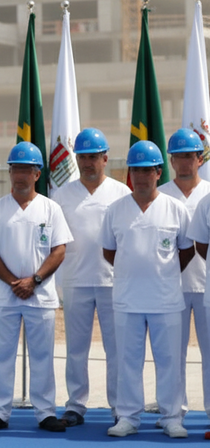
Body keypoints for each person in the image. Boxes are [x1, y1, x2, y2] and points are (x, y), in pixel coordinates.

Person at [0, 142, 72, 434]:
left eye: (26, 169)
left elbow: (59, 250)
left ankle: (45, 413)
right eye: (15, 168)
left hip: (40, 296)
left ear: (37, 174)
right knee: (2, 355)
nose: (19, 175)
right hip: (5, 296)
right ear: (10, 172)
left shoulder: (51, 208)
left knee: (43, 356)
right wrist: (13, 282)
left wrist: (35, 280)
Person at [101, 140, 193, 438]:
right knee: (128, 361)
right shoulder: (115, 210)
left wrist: (161, 274)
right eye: (136, 171)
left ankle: (171, 417)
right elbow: (109, 251)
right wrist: (134, 272)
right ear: (130, 174)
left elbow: (186, 250)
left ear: (158, 172)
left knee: (169, 361)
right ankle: (128, 417)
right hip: (127, 300)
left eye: (147, 171)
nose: (141, 177)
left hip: (166, 300)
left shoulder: (175, 209)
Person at [50, 128, 129, 427]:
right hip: (75, 280)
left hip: (113, 281)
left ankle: (120, 406)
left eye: (93, 157)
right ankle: (76, 405)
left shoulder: (122, 193)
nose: (87, 163)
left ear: (105, 158)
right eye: (82, 157)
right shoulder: (62, 194)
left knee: (116, 348)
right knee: (76, 348)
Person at [156, 128, 210, 423]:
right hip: (170, 289)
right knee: (171, 357)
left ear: (200, 159)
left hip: (205, 286)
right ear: (171, 160)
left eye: (190, 156)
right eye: (179, 157)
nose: (185, 162)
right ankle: (173, 411)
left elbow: (201, 245)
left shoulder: (209, 193)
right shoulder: (159, 194)